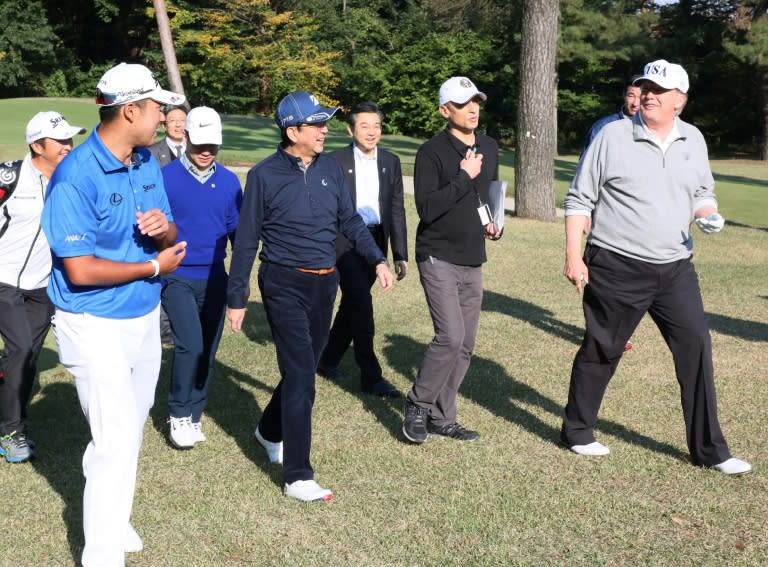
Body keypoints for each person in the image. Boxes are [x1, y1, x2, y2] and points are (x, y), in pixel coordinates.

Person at [560, 59, 752, 476]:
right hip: (615, 263)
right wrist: (574, 256)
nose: (648, 95)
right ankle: (577, 431)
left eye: (658, 90)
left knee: (696, 347)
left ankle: (710, 450)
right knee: (603, 348)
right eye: (645, 87)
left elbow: (702, 190)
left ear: (679, 101)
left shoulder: (693, 139)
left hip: (675, 266)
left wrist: (706, 212)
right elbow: (579, 199)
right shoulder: (611, 136)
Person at [41, 62, 188, 566]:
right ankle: (101, 555)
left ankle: (113, 515)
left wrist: (161, 230)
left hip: (142, 315)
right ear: (131, 110)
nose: (165, 115)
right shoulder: (74, 174)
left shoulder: (146, 160)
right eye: (157, 107)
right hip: (93, 321)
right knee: (112, 440)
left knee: (128, 429)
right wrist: (153, 263)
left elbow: (170, 235)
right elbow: (78, 270)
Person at [226, 91, 394, 502]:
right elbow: (246, 241)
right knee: (303, 376)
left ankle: (268, 431)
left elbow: (350, 222)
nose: (325, 130)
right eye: (317, 124)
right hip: (283, 283)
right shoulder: (264, 175)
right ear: (292, 130)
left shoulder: (331, 169)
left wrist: (377, 260)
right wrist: (237, 296)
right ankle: (297, 475)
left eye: (325, 123)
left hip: (325, 283)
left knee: (302, 368)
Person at [401, 77, 501, 444]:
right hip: (437, 254)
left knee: (466, 342)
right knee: (450, 336)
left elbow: (486, 195)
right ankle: (417, 404)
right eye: (463, 103)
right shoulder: (431, 152)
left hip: (472, 257)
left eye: (476, 101)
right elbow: (426, 209)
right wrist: (463, 176)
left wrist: (493, 222)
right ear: (445, 111)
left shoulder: (489, 146)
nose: (472, 109)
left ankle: (443, 417)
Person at [0, 111, 86, 463]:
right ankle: (10, 431)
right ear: (36, 145)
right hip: (2, 280)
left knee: (29, 355)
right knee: (20, 349)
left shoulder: (73, 179)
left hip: (41, 286)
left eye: (69, 139)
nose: (68, 145)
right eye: (60, 140)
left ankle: (10, 414)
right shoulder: (9, 175)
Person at [160, 106, 242, 449]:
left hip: (215, 277)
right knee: (189, 344)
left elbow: (239, 235)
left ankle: (195, 413)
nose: (207, 151)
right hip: (177, 275)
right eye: (200, 144)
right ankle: (178, 412)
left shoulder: (229, 181)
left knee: (208, 348)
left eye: (213, 144)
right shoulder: (166, 177)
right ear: (185, 136)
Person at [317, 101, 408, 398]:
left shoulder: (391, 161)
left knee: (351, 306)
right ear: (351, 129)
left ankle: (326, 359)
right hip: (344, 242)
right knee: (361, 303)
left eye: (377, 125)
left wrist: (400, 253)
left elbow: (396, 209)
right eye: (365, 126)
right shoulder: (334, 161)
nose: (372, 132)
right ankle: (371, 376)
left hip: (377, 241)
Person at [148, 103, 189, 345]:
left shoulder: (197, 150)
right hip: (162, 224)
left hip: (188, 223)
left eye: (182, 120)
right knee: (163, 271)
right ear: (164, 125)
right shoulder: (152, 152)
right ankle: (164, 328)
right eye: (172, 120)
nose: (178, 125)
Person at [581, 75, 642, 155]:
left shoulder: (654, 128)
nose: (635, 103)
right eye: (631, 96)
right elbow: (586, 163)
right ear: (623, 95)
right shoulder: (602, 126)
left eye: (640, 97)